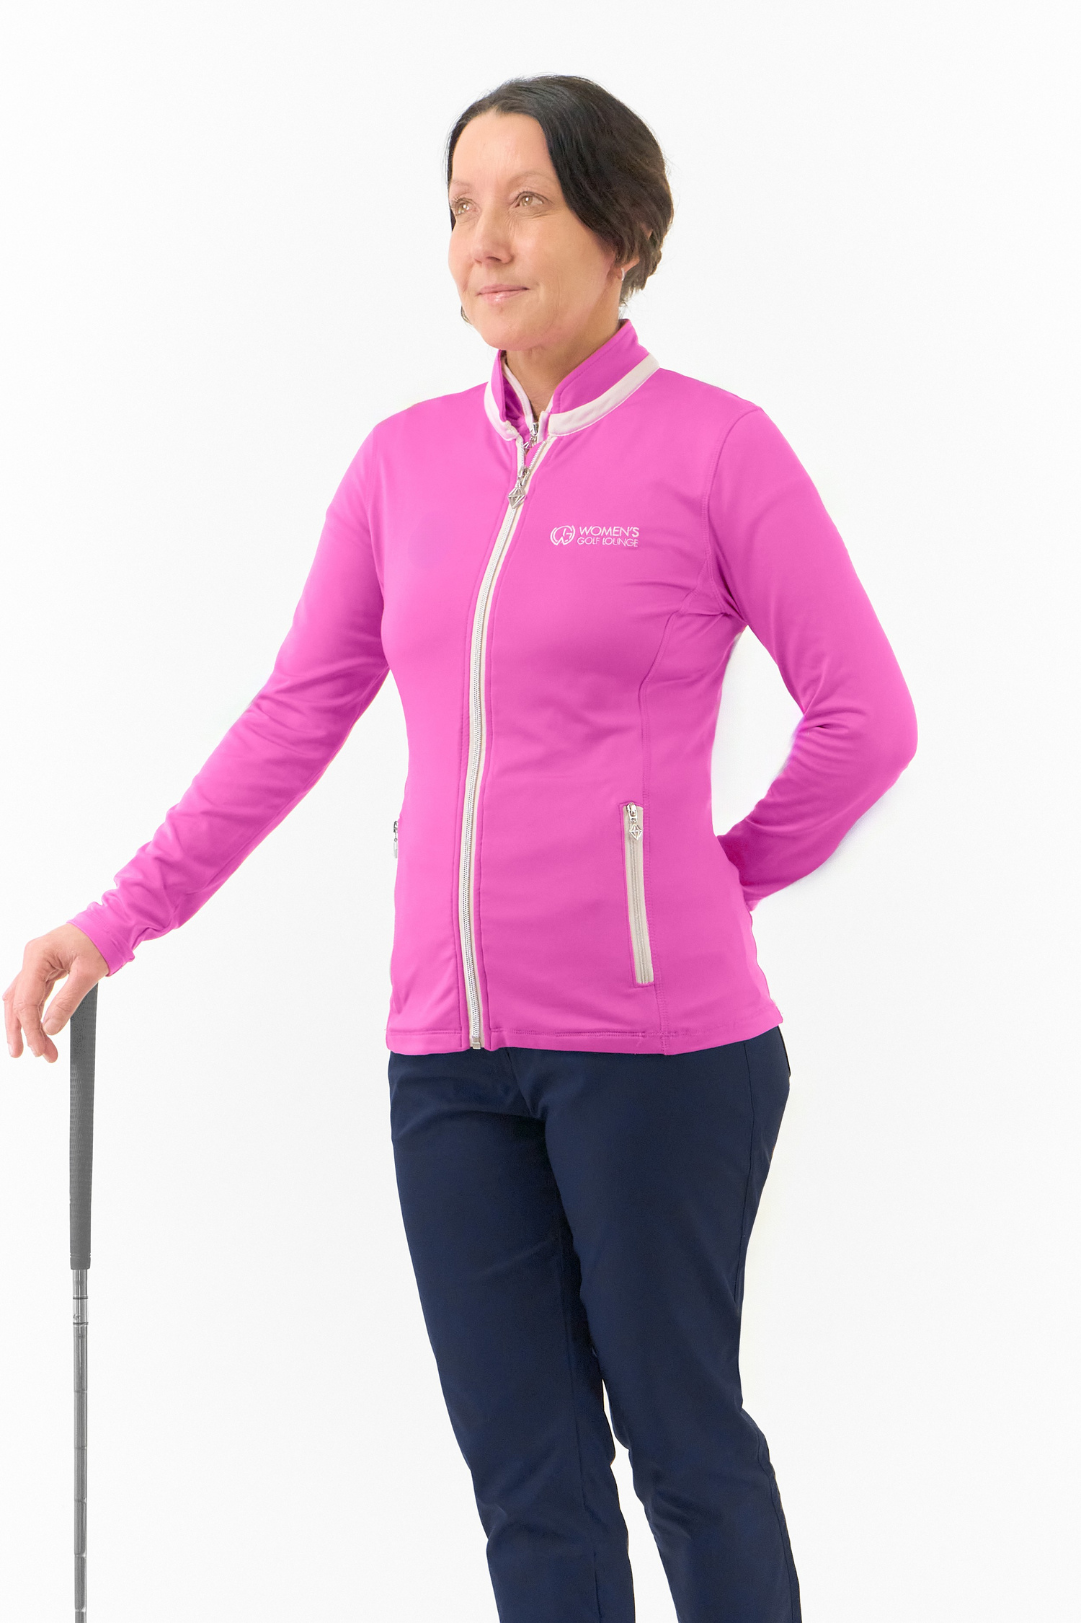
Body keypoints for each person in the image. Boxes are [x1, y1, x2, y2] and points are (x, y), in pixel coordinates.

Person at [4, 74, 917, 1623]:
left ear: (622, 233)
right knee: (528, 1483)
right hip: (447, 1059)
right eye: (457, 208)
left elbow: (865, 718)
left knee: (683, 1445)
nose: (482, 242)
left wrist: (712, 877)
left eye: (526, 202)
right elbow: (294, 714)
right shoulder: (401, 464)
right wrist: (116, 918)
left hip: (658, 1055)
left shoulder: (715, 449)